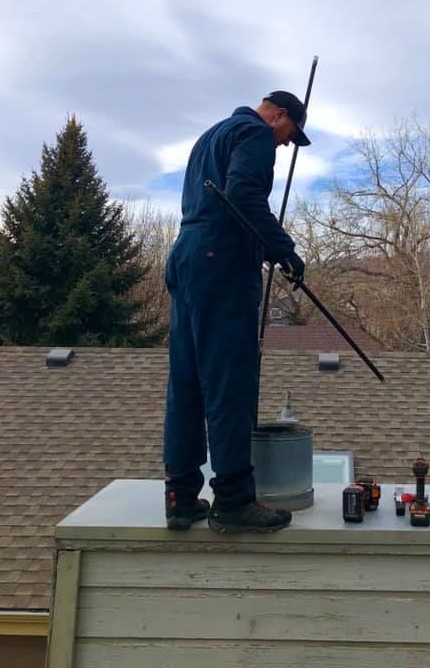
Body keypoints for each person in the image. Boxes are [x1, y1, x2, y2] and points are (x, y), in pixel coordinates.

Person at [163, 91, 308, 533]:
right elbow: (243, 194)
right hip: (221, 263)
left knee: (187, 382)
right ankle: (233, 500)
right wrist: (284, 250)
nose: (284, 146)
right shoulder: (254, 133)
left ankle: (182, 497)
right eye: (289, 136)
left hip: (187, 256)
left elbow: (218, 200)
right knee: (230, 381)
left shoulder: (210, 136)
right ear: (278, 115)